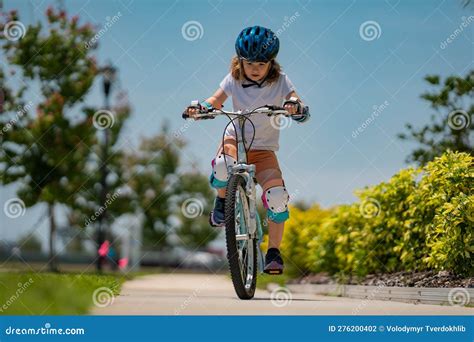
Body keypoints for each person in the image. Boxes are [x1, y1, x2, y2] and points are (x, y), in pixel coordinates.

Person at [184, 26, 310, 274]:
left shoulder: (281, 80)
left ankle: (273, 252)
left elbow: (294, 98)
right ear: (240, 61)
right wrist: (202, 108)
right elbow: (215, 100)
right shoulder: (233, 79)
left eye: (261, 64)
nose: (255, 68)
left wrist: (295, 107)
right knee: (222, 166)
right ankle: (222, 203)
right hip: (234, 140)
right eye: (249, 62)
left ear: (271, 63)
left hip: (263, 151)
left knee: (277, 198)